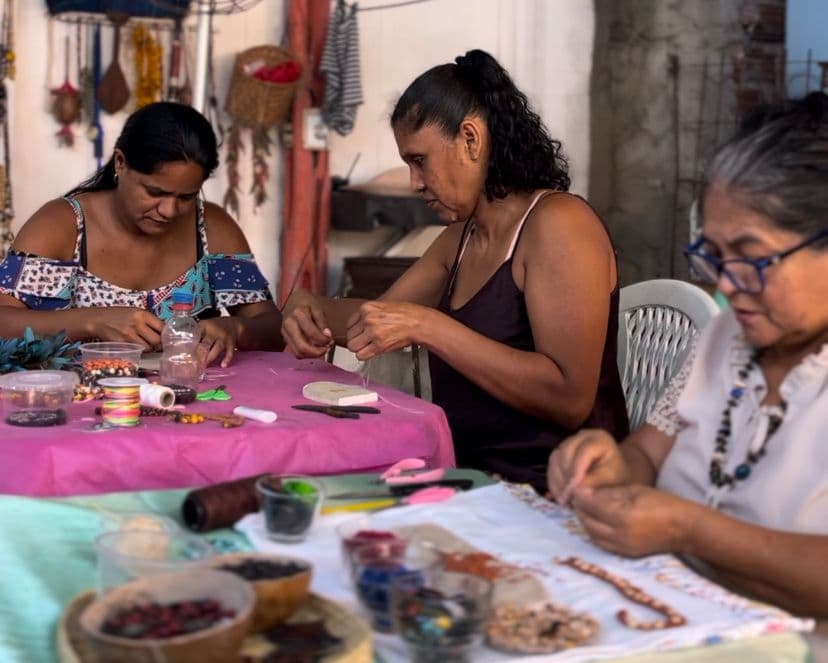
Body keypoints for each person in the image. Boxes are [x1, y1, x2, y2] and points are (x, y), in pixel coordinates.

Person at [282, 49, 629, 490]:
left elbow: (569, 399)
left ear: (470, 139)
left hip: (556, 490)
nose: (415, 183)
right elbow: (377, 318)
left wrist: (430, 327)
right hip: (466, 478)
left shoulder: (559, 225)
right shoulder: (462, 237)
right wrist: (307, 306)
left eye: (419, 160)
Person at [547, 92, 828, 618]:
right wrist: (611, 463)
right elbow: (650, 455)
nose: (726, 284)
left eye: (750, 258)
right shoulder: (726, 337)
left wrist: (688, 528)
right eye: (713, 256)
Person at [0, 102, 283, 367]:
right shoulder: (64, 226)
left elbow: (273, 329)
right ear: (120, 163)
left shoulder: (211, 229)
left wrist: (234, 328)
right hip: (79, 396)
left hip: (189, 395)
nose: (169, 211)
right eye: (155, 192)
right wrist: (91, 321)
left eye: (187, 197)